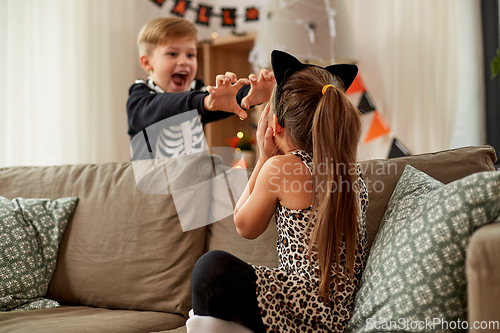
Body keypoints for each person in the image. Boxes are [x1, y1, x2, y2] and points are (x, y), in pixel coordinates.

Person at [190, 50, 369, 333]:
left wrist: (263, 159)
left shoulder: (281, 168)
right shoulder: (352, 172)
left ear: (275, 125)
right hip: (340, 314)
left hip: (304, 311)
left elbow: (243, 225)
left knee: (211, 270)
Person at [127, 17, 274, 159]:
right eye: (172, 54)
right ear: (147, 63)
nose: (184, 61)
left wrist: (251, 95)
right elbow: (160, 106)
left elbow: (223, 100)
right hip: (149, 181)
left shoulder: (196, 91)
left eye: (190, 55)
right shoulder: (140, 96)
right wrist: (204, 102)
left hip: (193, 179)